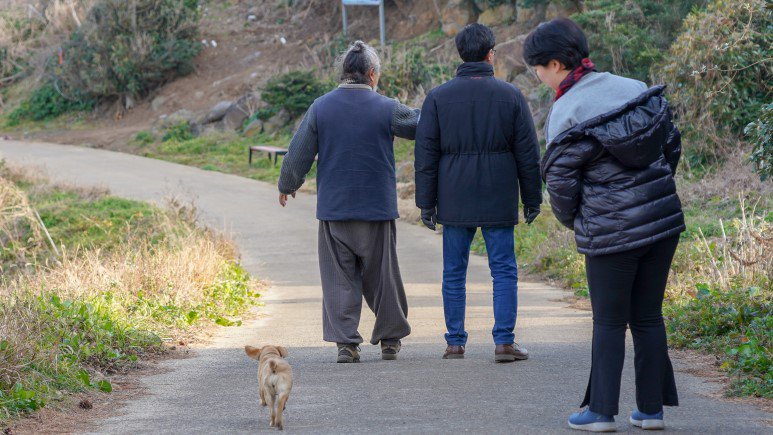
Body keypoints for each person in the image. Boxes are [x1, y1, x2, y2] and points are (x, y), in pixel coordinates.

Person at [524, 18, 685, 432]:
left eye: (537, 68)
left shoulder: (566, 109)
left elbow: (559, 181)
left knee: (610, 321)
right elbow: (671, 143)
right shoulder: (633, 87)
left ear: (556, 64)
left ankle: (600, 412)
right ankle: (651, 412)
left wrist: (574, 218)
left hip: (610, 233)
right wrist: (653, 192)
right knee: (648, 316)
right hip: (662, 223)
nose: (538, 76)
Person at [277, 40, 419, 363]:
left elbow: (299, 151)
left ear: (344, 72)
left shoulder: (321, 107)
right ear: (371, 74)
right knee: (383, 276)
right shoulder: (387, 107)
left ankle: (346, 343)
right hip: (376, 209)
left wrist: (288, 183)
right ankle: (390, 340)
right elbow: (420, 124)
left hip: (335, 209)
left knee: (339, 277)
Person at [414, 23, 542, 363]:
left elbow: (425, 156)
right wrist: (532, 198)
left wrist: (425, 203)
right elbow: (528, 154)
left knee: (453, 271)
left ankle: (455, 343)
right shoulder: (511, 95)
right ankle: (504, 342)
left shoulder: (438, 98)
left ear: (460, 54)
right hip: (498, 192)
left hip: (454, 194)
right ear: (491, 54)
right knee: (503, 269)